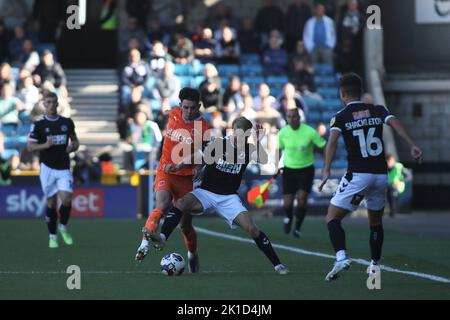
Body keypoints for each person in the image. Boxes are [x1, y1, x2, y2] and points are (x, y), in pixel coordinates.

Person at [148, 117, 289, 275]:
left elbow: (264, 159)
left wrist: (257, 141)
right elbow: (197, 156)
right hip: (206, 192)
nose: (238, 136)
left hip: (228, 197)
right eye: (236, 132)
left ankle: (278, 265)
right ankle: (162, 237)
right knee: (181, 203)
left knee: (252, 229)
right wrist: (178, 166)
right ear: (232, 130)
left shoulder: (250, 149)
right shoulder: (219, 144)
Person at [318, 73, 423, 281]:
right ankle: (374, 268)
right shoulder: (377, 110)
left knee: (332, 218)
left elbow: (332, 142)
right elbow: (396, 124)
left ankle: (341, 257)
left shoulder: (341, 116)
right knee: (375, 224)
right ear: (360, 91)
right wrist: (412, 145)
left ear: (342, 93)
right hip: (380, 175)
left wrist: (326, 169)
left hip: (358, 174)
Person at [135, 88, 210, 273]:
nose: (189, 112)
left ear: (199, 106)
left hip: (185, 178)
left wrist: (200, 168)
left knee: (185, 226)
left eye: (193, 108)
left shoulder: (204, 129)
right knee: (162, 203)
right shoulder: (173, 114)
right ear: (179, 106)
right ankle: (144, 244)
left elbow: (205, 155)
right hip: (165, 171)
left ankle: (192, 253)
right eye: (185, 107)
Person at [27, 91, 80, 249]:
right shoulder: (38, 124)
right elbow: (30, 146)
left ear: (57, 104)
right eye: (47, 102)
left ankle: (63, 226)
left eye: (53, 102)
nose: (50, 105)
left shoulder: (67, 122)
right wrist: (45, 145)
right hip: (47, 167)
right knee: (51, 203)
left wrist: (72, 147)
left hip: (63, 166)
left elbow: (75, 141)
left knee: (67, 199)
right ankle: (52, 236)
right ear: (44, 104)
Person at [278, 108, 326, 237]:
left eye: (294, 116)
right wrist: (278, 166)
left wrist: (326, 165)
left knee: (302, 199)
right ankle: (288, 218)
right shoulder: (282, 133)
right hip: (288, 169)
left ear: (299, 118)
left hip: (306, 169)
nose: (291, 119)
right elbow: (279, 149)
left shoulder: (310, 132)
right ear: (286, 118)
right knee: (287, 203)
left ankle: (298, 227)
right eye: (289, 116)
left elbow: (323, 146)